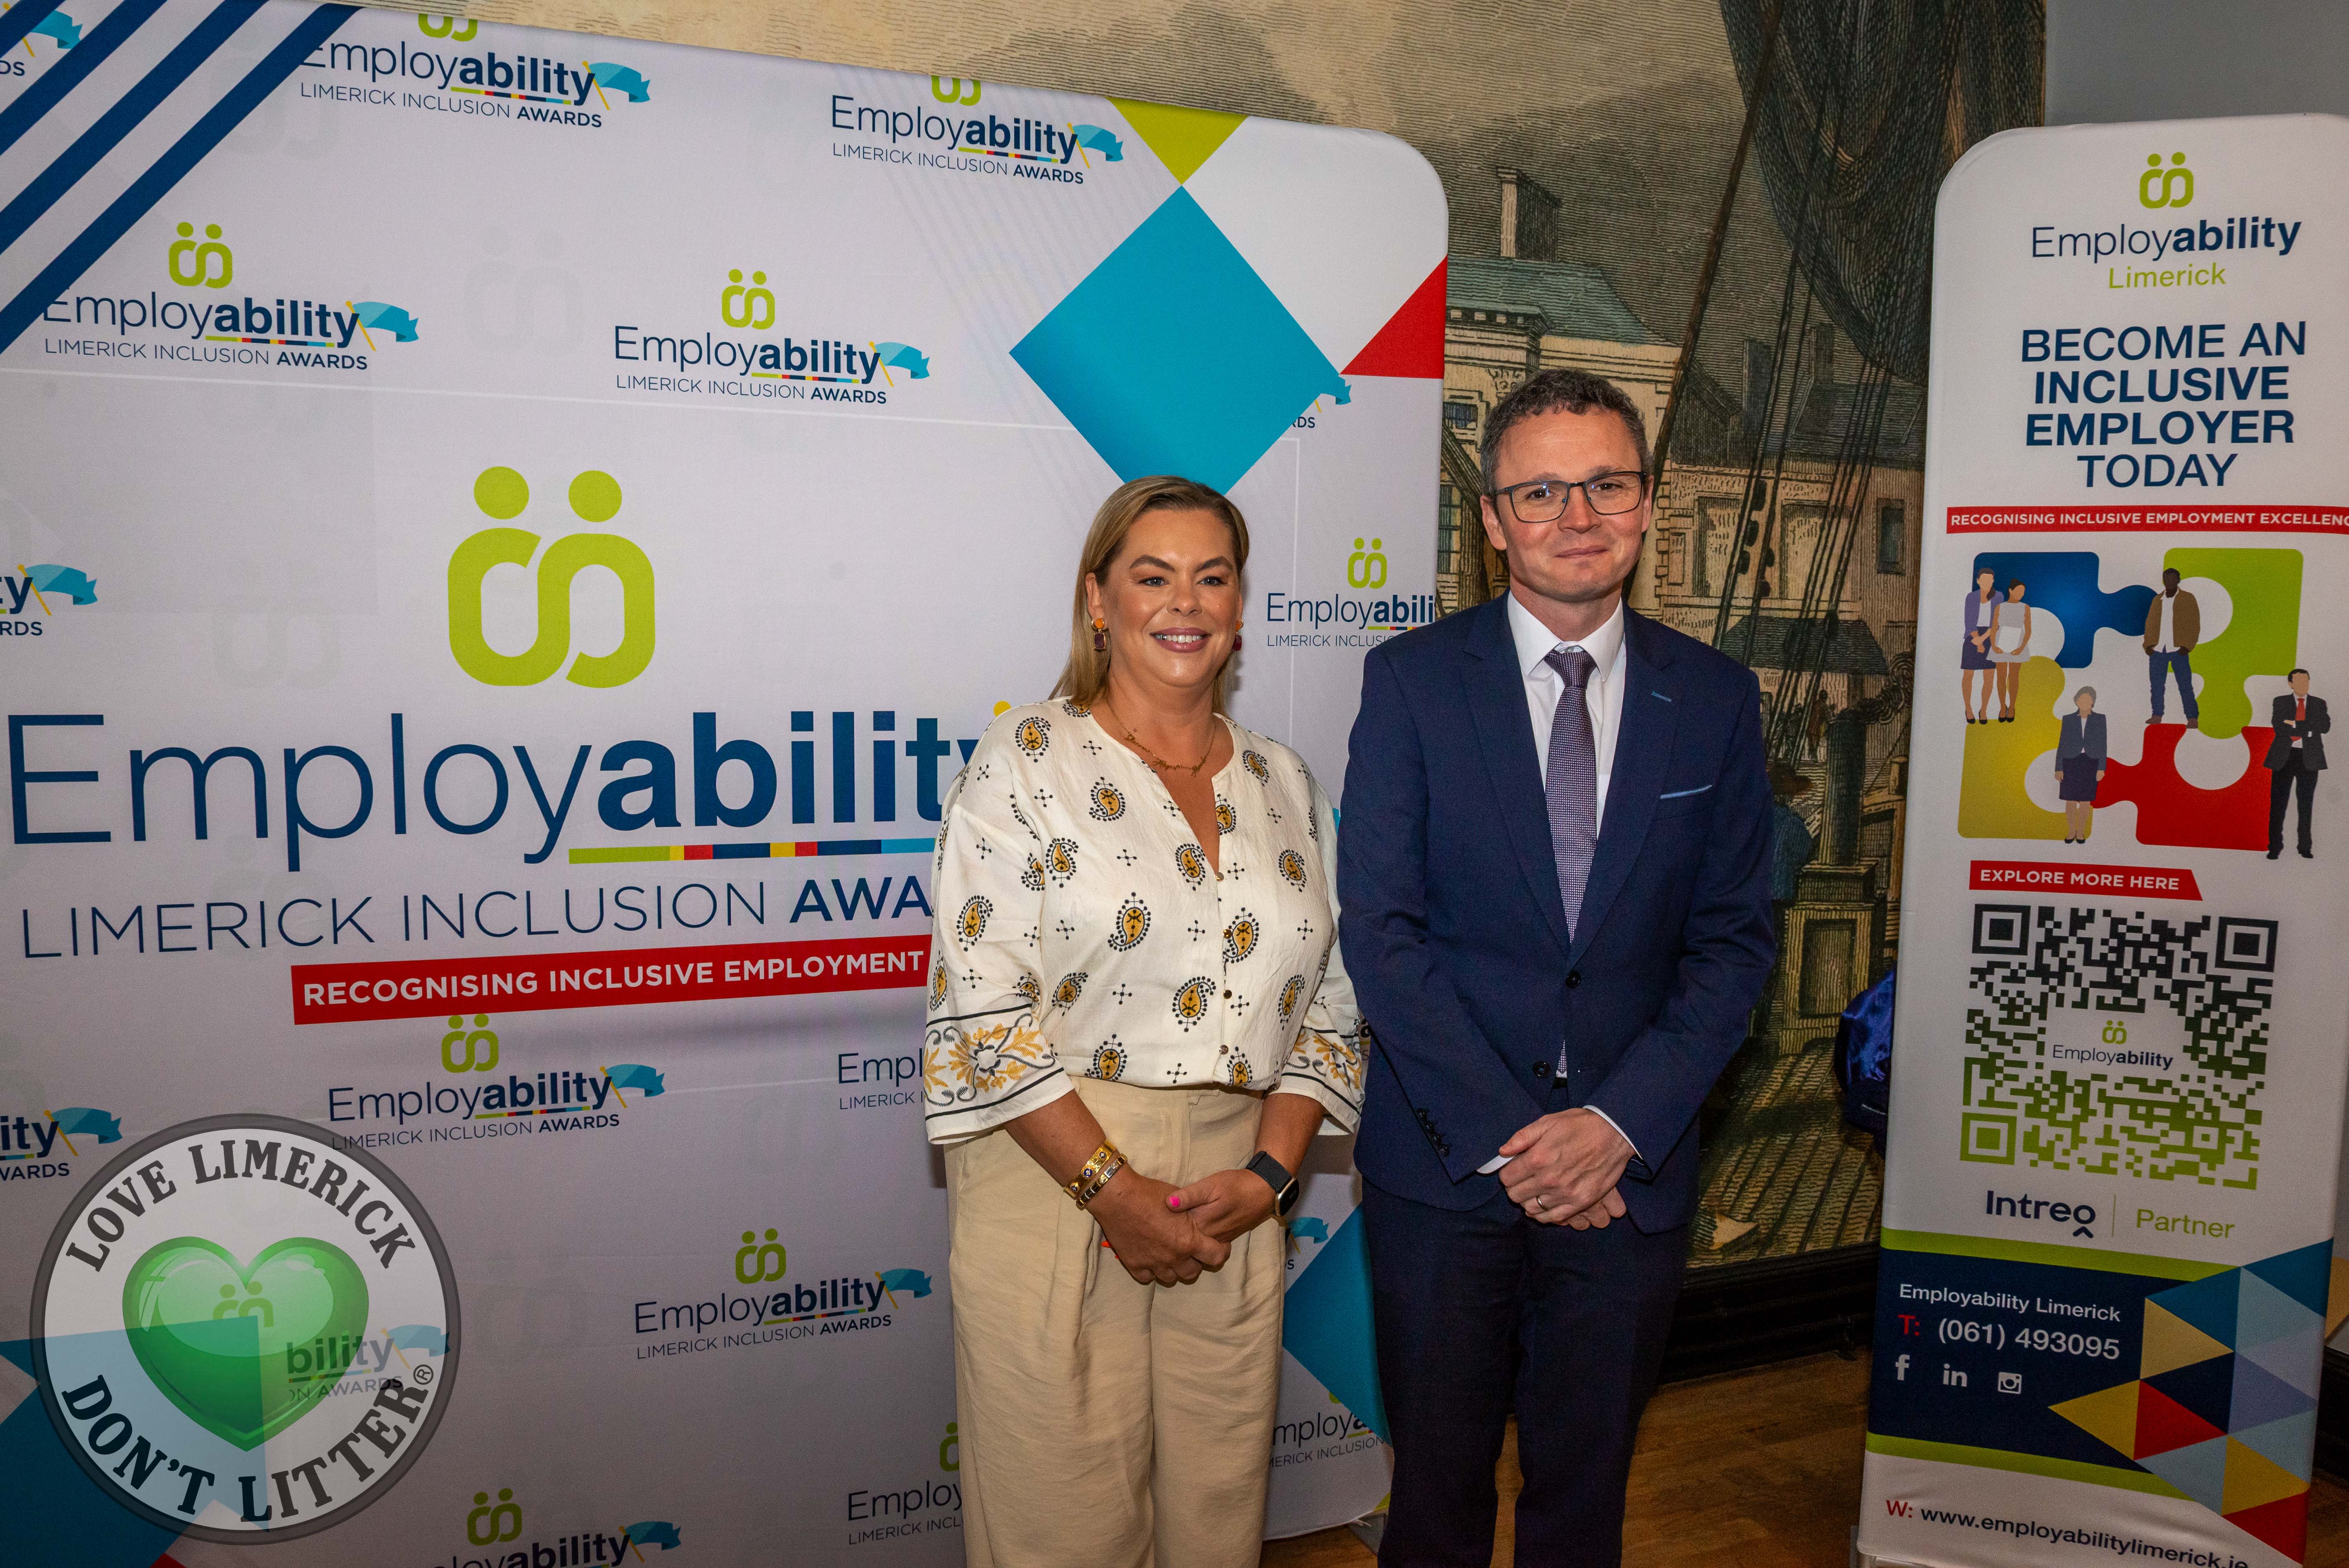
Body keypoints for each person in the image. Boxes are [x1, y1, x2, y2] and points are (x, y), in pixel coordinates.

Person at [1339, 367, 1776, 1568]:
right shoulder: (1411, 682)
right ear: (1492, 520)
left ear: (1647, 502)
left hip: (1628, 1177)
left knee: (1583, 1504)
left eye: (1606, 485)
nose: (1577, 516)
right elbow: (1382, 933)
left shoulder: (1715, 698)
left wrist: (1612, 1128)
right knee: (1434, 1504)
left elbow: (1734, 942)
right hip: (1447, 1172)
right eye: (1540, 492)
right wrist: (1524, 1141)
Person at [923, 474, 1362, 1568]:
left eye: (1212, 577)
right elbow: (985, 1008)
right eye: (1152, 575)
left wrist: (1269, 1178)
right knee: (1060, 1527)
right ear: (1097, 600)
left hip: (1234, 1195)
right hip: (1052, 1174)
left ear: (1239, 605)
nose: (1185, 602)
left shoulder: (1284, 780)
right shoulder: (1023, 761)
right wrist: (1112, 1192)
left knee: (1218, 1519)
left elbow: (1331, 1004)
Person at [2266, 667, 2328, 859]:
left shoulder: (2319, 704)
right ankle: (2275, 847)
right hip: (2284, 758)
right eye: (2299, 681)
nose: (2303, 685)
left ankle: (2305, 847)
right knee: (2278, 805)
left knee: (2306, 805)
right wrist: (2309, 729)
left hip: (2309, 759)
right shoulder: (2280, 701)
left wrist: (2294, 724)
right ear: (2291, 684)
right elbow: (2279, 727)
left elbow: (2324, 727)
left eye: (2306, 681)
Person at [2145, 566, 2202, 727]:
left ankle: (2192, 718)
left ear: (2178, 580)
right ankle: (2157, 715)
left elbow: (2194, 623)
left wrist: (2188, 646)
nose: (2169, 582)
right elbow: (2150, 623)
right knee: (2157, 686)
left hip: (2179, 650)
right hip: (2158, 650)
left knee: (2185, 686)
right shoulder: (2157, 600)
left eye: (2172, 579)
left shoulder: (2188, 598)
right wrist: (2148, 645)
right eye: (2166, 579)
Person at [2056, 686, 2107, 843]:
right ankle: (2072, 831)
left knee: (2086, 800)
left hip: (2091, 762)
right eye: (2081, 699)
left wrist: (2101, 768)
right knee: (2070, 800)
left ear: (2093, 702)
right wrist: (2059, 768)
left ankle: (2081, 832)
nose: (2084, 702)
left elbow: (2103, 744)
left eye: (2088, 699)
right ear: (2076, 701)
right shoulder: (2068, 719)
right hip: (2070, 762)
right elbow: (2062, 744)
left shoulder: (2100, 719)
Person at [1987, 577, 2031, 721]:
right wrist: (1994, 646)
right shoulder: (2000, 607)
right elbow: (1994, 628)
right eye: (2018, 591)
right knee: (2001, 676)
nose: (2021, 594)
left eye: (2023, 592)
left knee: (2014, 677)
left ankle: (2012, 707)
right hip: (2001, 642)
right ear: (2011, 590)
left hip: (2017, 642)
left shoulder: (2025, 607)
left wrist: (2021, 648)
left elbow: (2028, 630)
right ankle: (2002, 707)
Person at [1962, 567, 2002, 724]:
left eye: (1989, 580)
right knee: (1968, 675)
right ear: (1978, 581)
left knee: (1989, 676)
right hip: (1973, 636)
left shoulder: (1998, 597)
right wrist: (1978, 641)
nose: (1986, 582)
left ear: (1993, 581)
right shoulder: (1972, 597)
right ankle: (1968, 708)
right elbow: (1969, 622)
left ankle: (1984, 709)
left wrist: (1983, 639)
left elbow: (1996, 623)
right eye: (1983, 579)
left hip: (1990, 636)